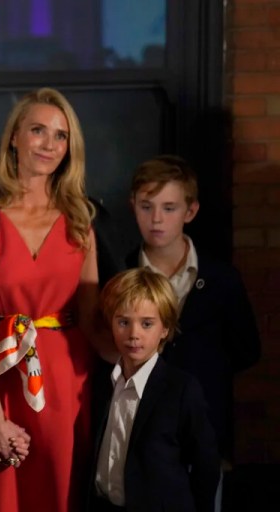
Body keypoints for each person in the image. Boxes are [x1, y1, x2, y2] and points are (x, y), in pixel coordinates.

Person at [0, 87, 122, 512]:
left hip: (67, 379)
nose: (49, 144)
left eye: (61, 136)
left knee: (60, 492)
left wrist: (143, 371)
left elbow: (95, 323)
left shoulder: (84, 218)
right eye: (38, 130)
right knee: (0, 489)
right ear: (14, 138)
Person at [126, 155, 261, 507]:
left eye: (169, 208)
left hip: (202, 434)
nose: (156, 219)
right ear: (133, 206)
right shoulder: (121, 273)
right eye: (147, 206)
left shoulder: (221, 280)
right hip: (137, 435)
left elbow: (246, 350)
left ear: (191, 211)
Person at [90, 268, 220, 511]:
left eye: (147, 324)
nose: (133, 334)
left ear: (165, 329)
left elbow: (206, 464)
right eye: (123, 322)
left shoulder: (181, 389)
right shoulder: (101, 383)